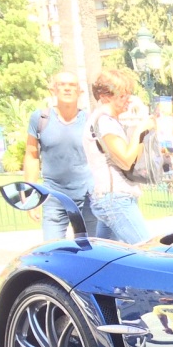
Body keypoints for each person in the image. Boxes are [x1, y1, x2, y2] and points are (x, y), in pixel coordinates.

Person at [24, 72, 97, 240]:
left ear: (80, 92)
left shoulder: (90, 120)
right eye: (62, 85)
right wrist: (30, 196)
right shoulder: (40, 118)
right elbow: (31, 156)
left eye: (72, 85)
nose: (67, 89)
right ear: (53, 90)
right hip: (54, 197)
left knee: (92, 251)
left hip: (88, 197)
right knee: (53, 251)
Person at [88, 68, 153, 244]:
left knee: (105, 260)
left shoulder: (106, 121)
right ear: (104, 96)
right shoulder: (104, 121)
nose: (128, 99)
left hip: (112, 198)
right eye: (122, 95)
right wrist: (140, 129)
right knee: (148, 252)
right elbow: (125, 160)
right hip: (115, 198)